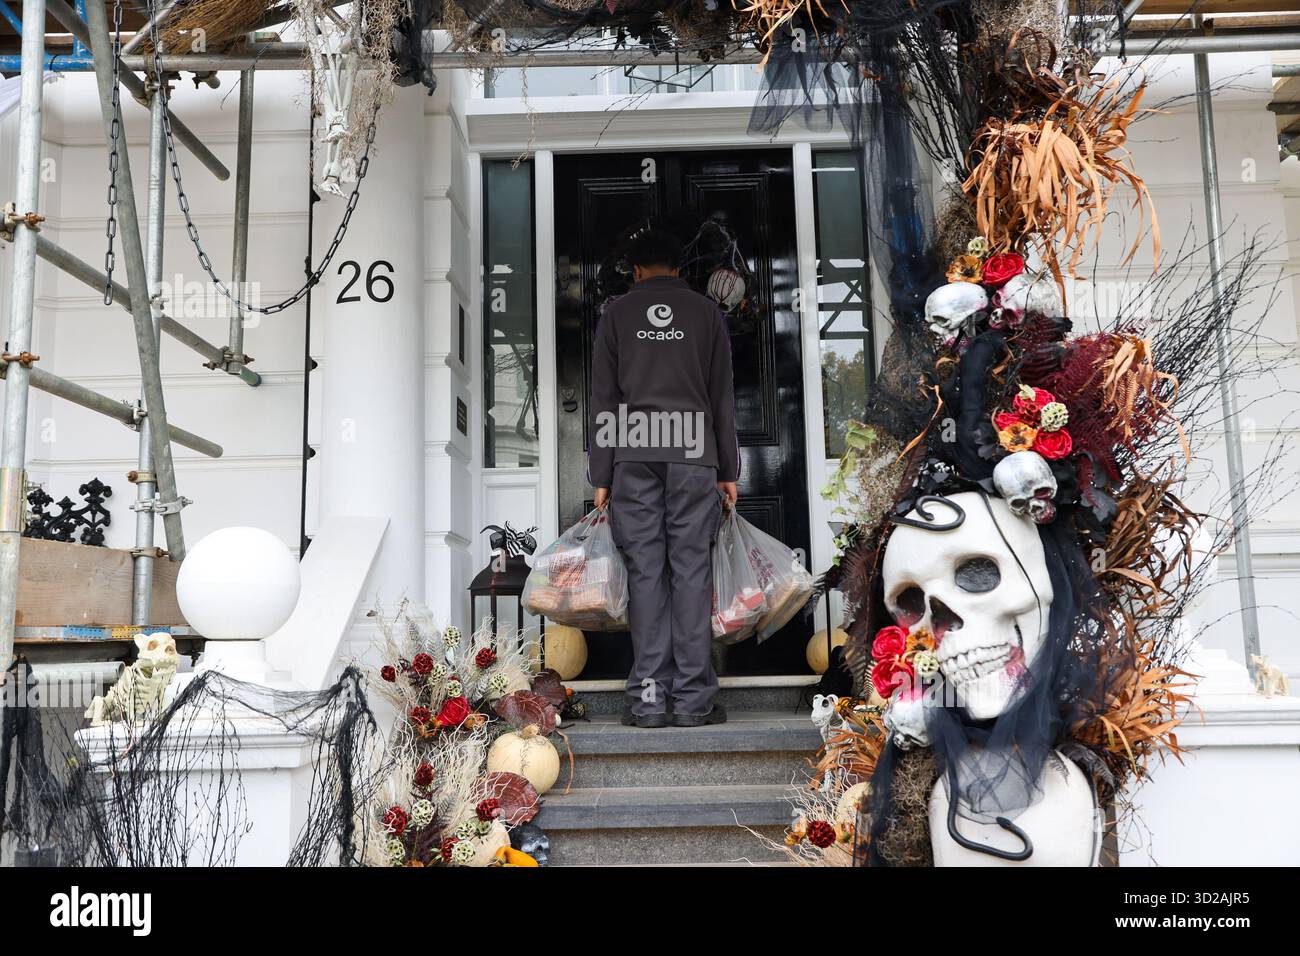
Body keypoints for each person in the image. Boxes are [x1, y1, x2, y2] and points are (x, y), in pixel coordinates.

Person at [587, 229, 739, 728]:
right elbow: (721, 397)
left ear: (635, 270)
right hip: (695, 454)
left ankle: (650, 700)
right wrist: (728, 470)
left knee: (647, 573)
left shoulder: (616, 315)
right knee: (692, 572)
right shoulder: (705, 314)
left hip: (634, 455)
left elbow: (604, 400)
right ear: (681, 268)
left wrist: (602, 472)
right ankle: (694, 701)